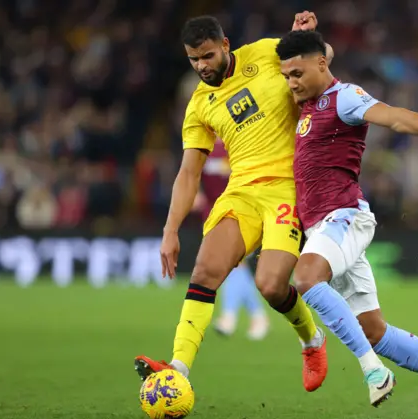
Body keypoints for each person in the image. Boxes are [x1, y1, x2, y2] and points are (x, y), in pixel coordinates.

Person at [276, 30, 418, 419]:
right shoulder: (307, 97)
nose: (291, 83)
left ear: (321, 65)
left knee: (305, 278)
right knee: (374, 330)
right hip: (323, 228)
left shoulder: (346, 98)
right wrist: (305, 36)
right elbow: (318, 58)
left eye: (296, 74)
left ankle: (373, 370)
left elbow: (395, 118)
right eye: (286, 75)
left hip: (344, 217)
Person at [134, 14, 329, 393]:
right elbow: (189, 173)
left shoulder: (265, 53)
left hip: (287, 187)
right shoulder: (199, 105)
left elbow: (323, 60)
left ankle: (311, 340)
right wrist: (170, 230)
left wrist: (305, 45)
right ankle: (177, 368)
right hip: (241, 192)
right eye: (193, 60)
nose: (201, 66)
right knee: (205, 271)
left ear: (225, 45)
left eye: (207, 56)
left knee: (271, 286)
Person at [192, 140, 269, 340]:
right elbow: (192, 174)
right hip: (212, 215)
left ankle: (229, 316)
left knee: (234, 264)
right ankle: (257, 315)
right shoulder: (204, 145)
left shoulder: (243, 142)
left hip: (242, 213)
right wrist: (196, 193)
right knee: (234, 265)